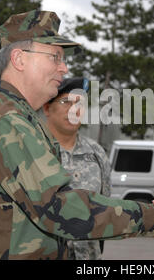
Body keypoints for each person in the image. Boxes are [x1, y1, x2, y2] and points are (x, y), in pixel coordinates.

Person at [0, 9, 154, 260]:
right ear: (19, 59)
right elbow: (56, 207)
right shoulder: (8, 119)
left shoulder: (14, 114)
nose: (64, 68)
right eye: (55, 57)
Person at [42, 76, 111, 260]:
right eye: (66, 102)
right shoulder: (34, 151)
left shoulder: (97, 153)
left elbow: (105, 209)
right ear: (47, 108)